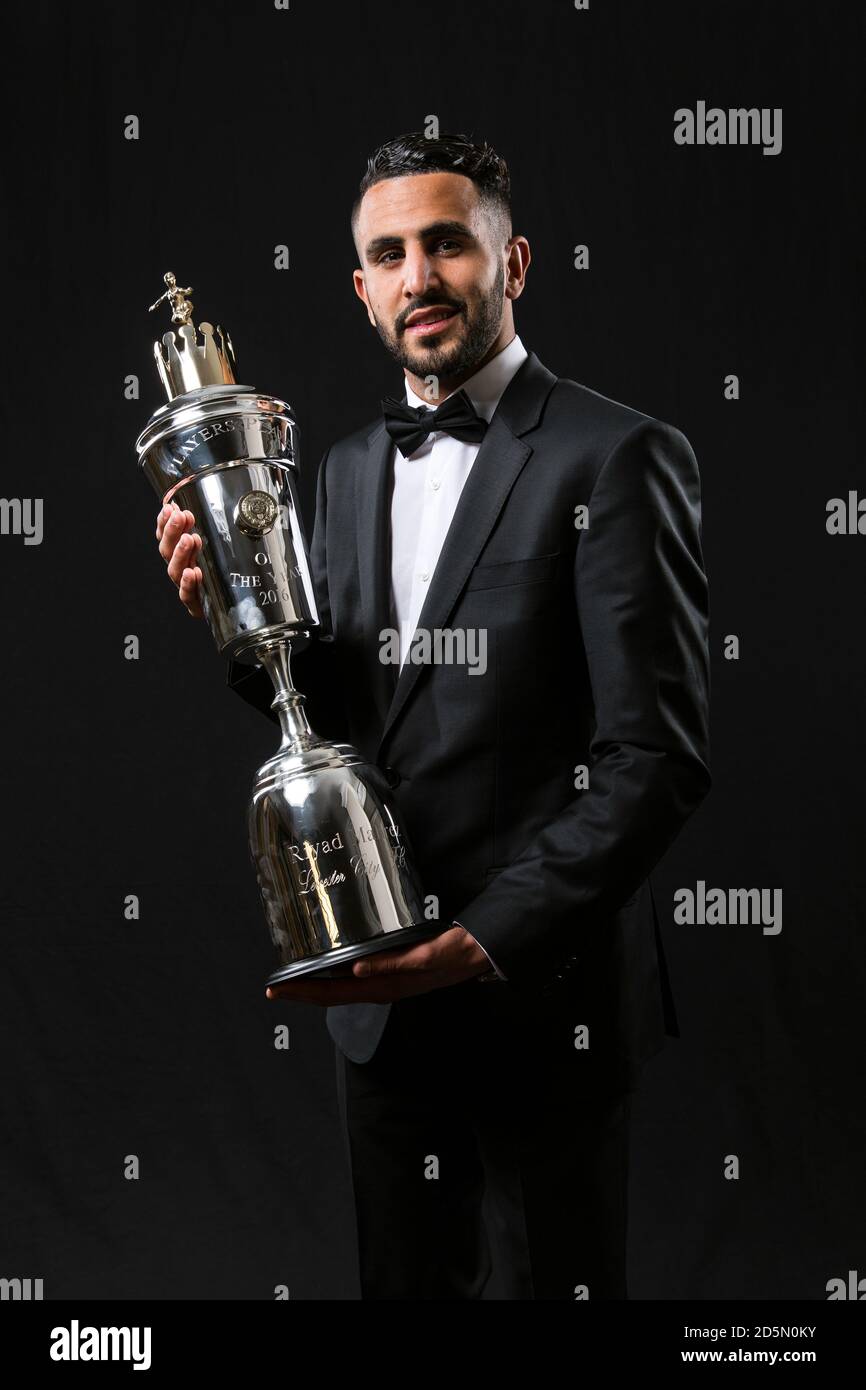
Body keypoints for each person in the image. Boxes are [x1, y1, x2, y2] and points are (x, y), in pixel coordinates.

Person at [155, 131, 711, 1300]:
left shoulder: (615, 456)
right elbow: (346, 712)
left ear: (512, 264)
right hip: (380, 1020)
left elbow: (651, 760)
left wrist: (477, 943)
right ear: (360, 291)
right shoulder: (345, 469)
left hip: (538, 1005)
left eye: (447, 242)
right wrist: (230, 616)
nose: (420, 278)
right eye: (389, 254)